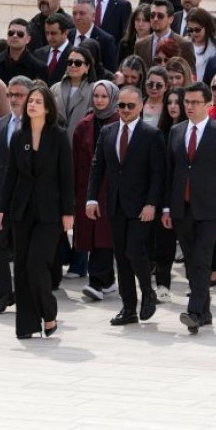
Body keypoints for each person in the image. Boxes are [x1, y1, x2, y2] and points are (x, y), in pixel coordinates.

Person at [0, 87, 74, 339]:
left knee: (37, 263)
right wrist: (2, 208)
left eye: (38, 102)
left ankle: (49, 313)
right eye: (31, 101)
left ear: (48, 108)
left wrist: (68, 212)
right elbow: (11, 175)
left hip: (50, 212)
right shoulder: (19, 136)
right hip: (22, 210)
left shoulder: (59, 136)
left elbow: (67, 176)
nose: (33, 105)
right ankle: (27, 325)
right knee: (22, 268)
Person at [164, 82, 216, 334]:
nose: (189, 106)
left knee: (202, 259)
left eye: (195, 102)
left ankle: (194, 311)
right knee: (191, 261)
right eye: (186, 101)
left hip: (210, 209)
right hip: (181, 208)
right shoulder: (176, 131)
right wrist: (166, 207)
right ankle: (205, 313)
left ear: (208, 104)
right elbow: (170, 172)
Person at [86, 84, 166, 325]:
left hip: (142, 206)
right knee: (121, 257)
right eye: (121, 105)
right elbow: (97, 166)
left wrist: (152, 203)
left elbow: (158, 173)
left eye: (131, 105)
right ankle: (128, 307)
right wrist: (91, 198)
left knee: (135, 251)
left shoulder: (152, 135)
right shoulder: (108, 132)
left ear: (141, 106)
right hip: (115, 205)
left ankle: (148, 293)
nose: (125, 110)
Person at [0, 76, 33, 314]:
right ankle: (4, 294)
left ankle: (25, 294)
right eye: (10, 95)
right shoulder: (0, 124)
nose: (13, 99)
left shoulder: (39, 126)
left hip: (26, 199)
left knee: (24, 249)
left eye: (19, 95)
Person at [72, 80, 121, 301]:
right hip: (88, 189)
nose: (100, 100)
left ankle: (96, 282)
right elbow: (76, 158)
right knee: (91, 236)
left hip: (111, 189)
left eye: (104, 96)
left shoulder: (120, 121)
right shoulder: (84, 124)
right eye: (97, 96)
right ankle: (108, 280)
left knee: (104, 235)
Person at [52, 46, 96, 136]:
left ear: (87, 67)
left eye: (78, 63)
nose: (73, 65)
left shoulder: (94, 90)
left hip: (80, 142)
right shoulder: (55, 88)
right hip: (55, 141)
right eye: (69, 62)